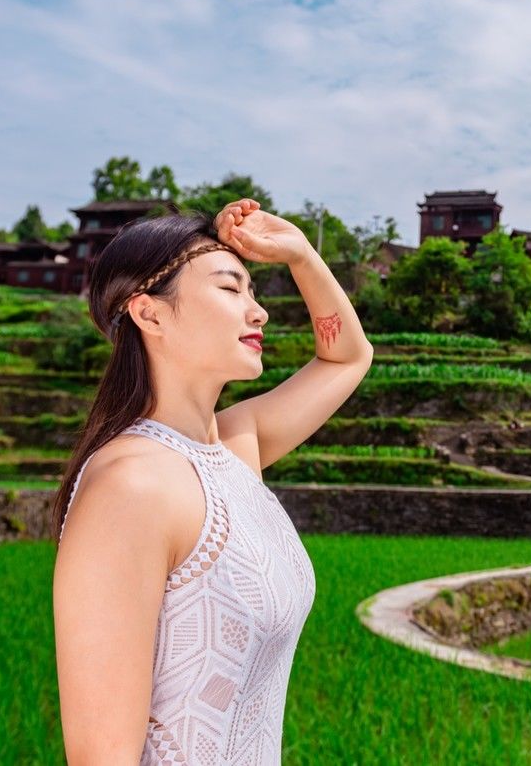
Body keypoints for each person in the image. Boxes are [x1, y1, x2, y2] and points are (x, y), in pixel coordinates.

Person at [52, 198, 374, 764]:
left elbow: (347, 357)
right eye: (230, 289)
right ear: (149, 313)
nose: (259, 313)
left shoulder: (233, 448)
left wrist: (299, 253)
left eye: (253, 291)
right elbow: (102, 755)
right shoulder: (131, 486)